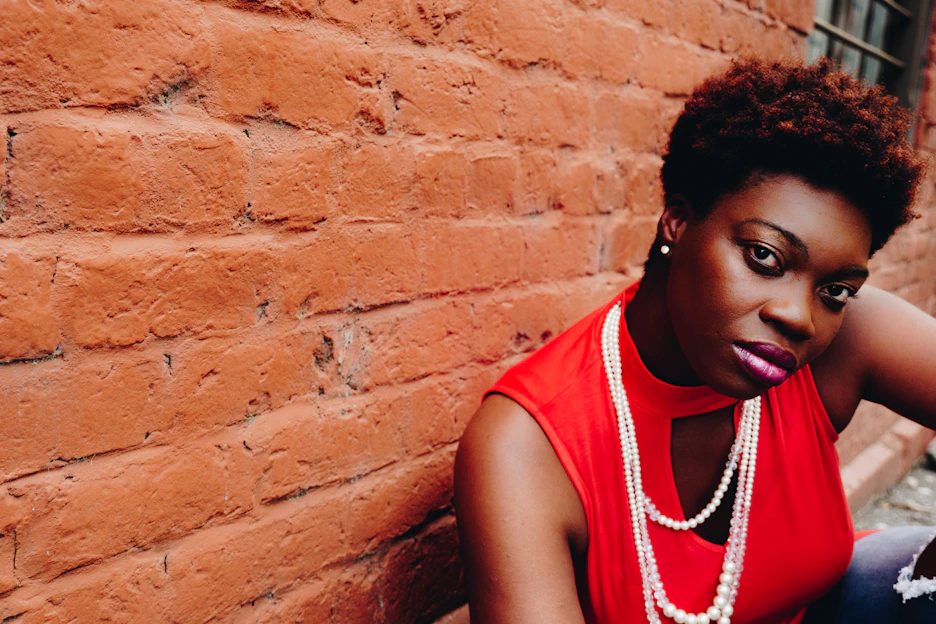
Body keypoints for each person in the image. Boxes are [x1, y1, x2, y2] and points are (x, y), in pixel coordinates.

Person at [453, 57, 936, 624]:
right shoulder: (529, 448)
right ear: (677, 221)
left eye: (834, 289)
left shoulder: (848, 335)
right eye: (764, 257)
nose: (799, 316)